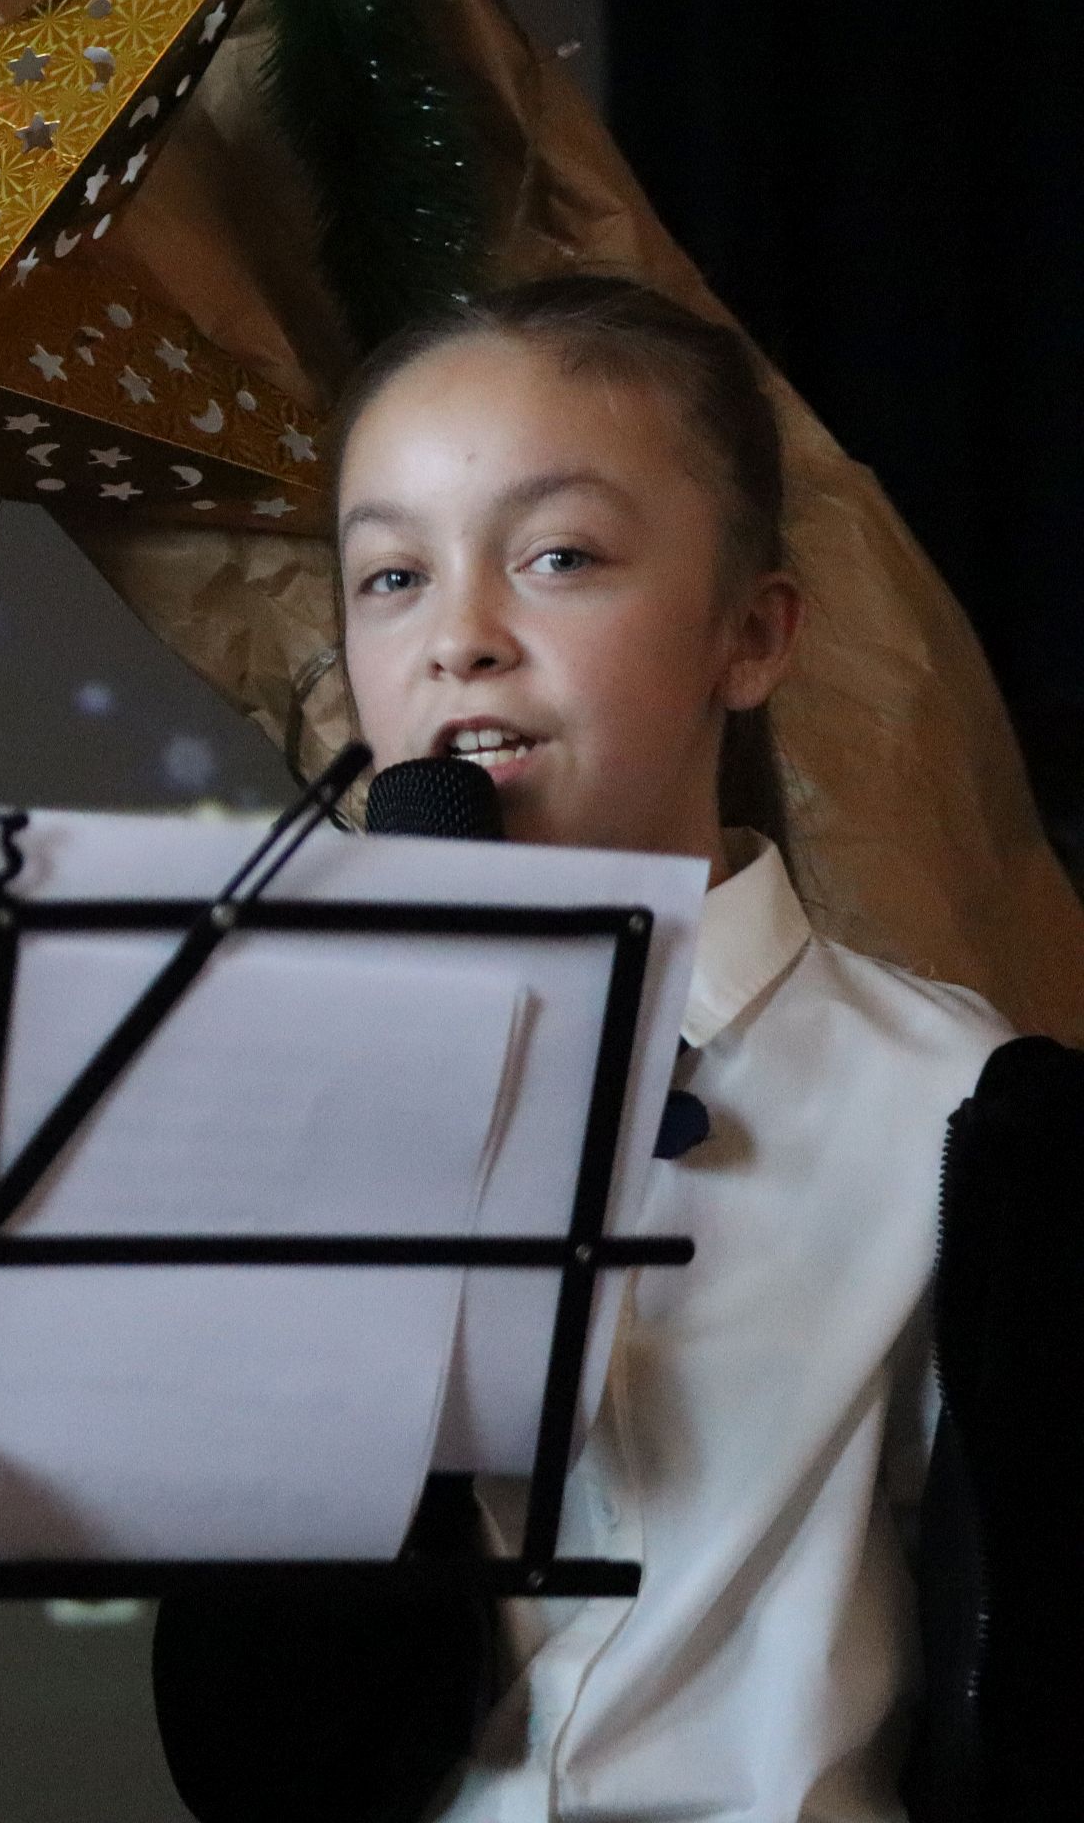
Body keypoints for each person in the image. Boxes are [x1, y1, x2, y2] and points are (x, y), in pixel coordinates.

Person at [331, 274, 1013, 1818]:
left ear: (751, 635)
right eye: (392, 577)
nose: (460, 641)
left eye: (557, 557)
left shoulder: (957, 1109)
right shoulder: (296, 1096)